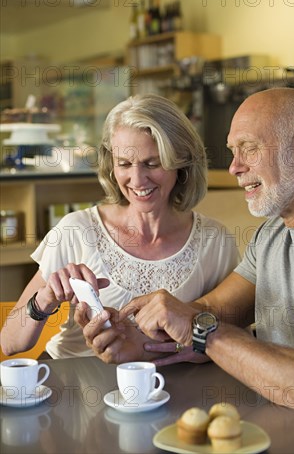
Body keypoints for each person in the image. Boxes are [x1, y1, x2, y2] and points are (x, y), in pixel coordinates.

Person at [115, 87, 294, 447]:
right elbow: (214, 311)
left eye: (249, 147)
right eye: (233, 152)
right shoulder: (273, 233)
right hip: (269, 434)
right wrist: (139, 339)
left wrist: (204, 331)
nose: (234, 167)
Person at [1, 94, 240, 359]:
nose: (137, 180)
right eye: (124, 164)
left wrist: (174, 347)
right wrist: (44, 299)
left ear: (181, 161)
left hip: (170, 390)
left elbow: (231, 341)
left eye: (153, 163)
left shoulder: (214, 241)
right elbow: (10, 343)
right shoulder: (76, 230)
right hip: (77, 386)